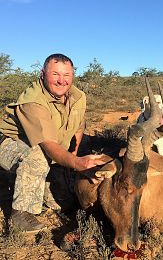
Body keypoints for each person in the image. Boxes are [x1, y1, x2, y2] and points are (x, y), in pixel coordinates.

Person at [0, 53, 106, 233]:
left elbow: (79, 126)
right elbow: (48, 145)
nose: (61, 81)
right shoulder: (33, 101)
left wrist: (72, 155)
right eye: (55, 74)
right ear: (42, 74)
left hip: (49, 146)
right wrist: (77, 163)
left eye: (66, 75)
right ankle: (20, 213)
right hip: (10, 143)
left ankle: (26, 181)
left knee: (62, 201)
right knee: (37, 157)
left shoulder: (78, 96)